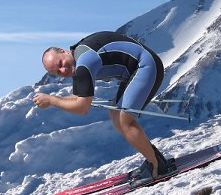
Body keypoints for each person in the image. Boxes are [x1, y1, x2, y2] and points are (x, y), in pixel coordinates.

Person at [33, 31, 168, 183]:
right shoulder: (78, 60)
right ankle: (155, 160)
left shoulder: (84, 63)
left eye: (60, 64)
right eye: (57, 72)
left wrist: (52, 100)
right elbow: (79, 98)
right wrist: (55, 99)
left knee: (124, 121)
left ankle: (157, 168)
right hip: (138, 68)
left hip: (146, 66)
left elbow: (83, 107)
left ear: (63, 52)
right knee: (115, 115)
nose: (63, 71)